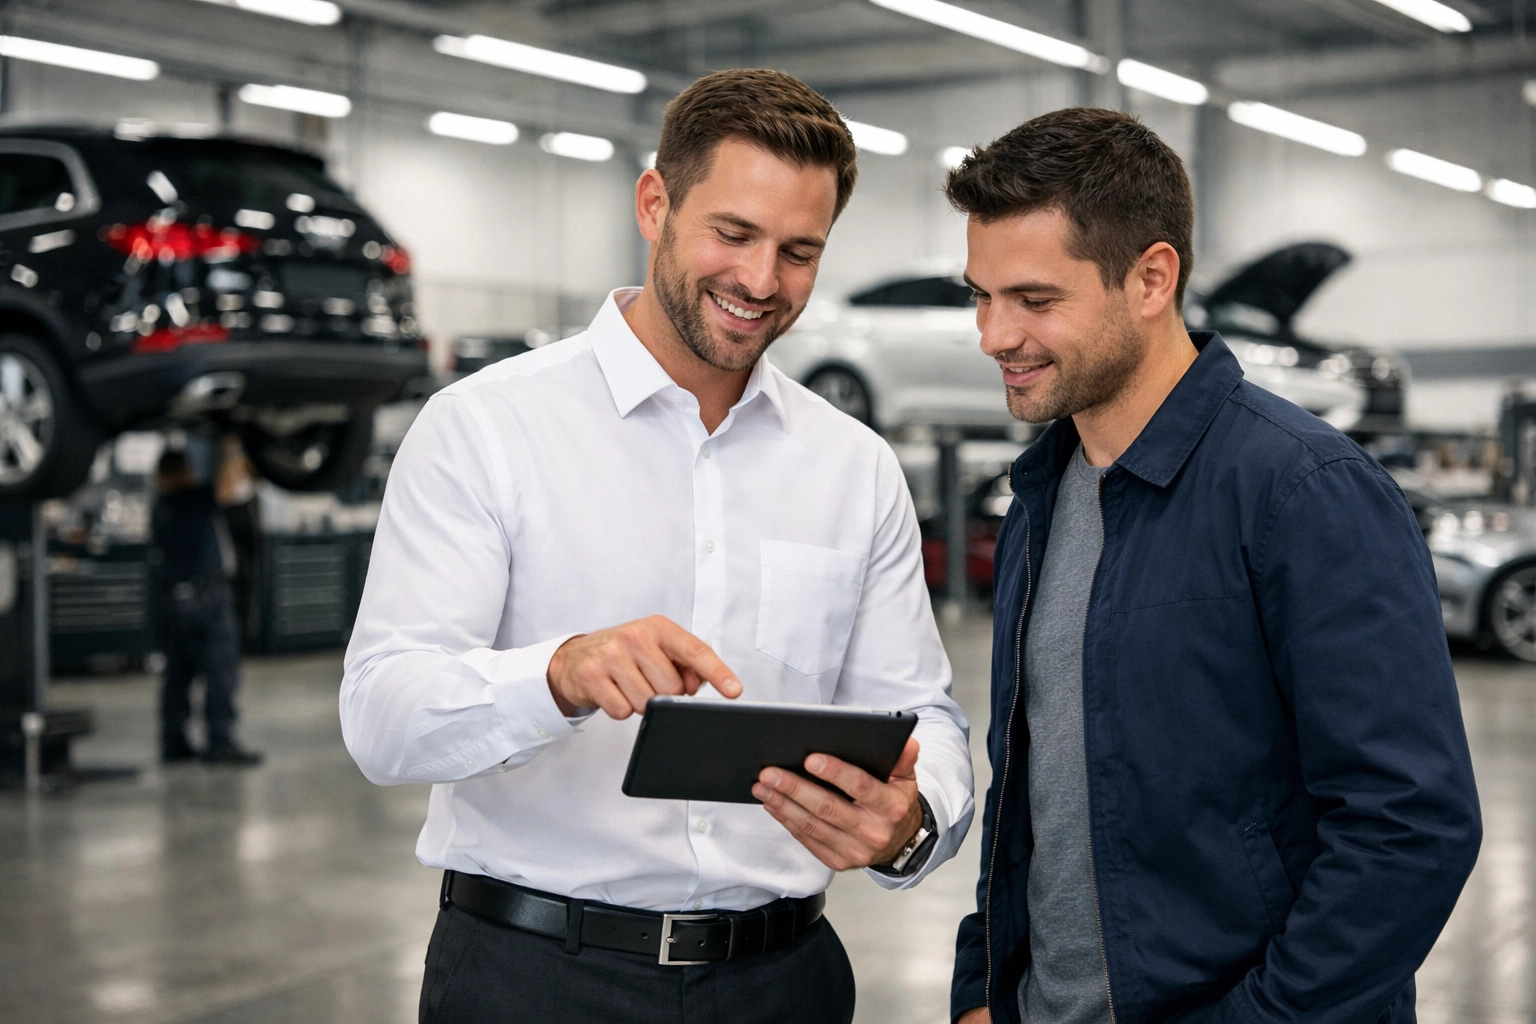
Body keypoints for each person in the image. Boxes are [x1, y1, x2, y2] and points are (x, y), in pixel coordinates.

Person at [341, 68, 973, 1024]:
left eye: (799, 251)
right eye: (733, 234)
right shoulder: (485, 427)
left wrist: (911, 820)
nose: (762, 282)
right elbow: (383, 718)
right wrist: (556, 673)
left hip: (784, 979)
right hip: (532, 979)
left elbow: (920, 710)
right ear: (655, 204)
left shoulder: (855, 466)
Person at [947, 108, 1481, 1024]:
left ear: (1152, 278)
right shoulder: (1041, 495)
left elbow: (1410, 828)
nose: (995, 335)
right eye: (980, 296)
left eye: (1034, 300)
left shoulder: (1304, 492)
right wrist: (983, 989)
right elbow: (1034, 793)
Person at [151, 444, 262, 766]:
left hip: (174, 601)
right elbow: (228, 487)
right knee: (220, 672)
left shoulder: (161, 505)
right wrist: (230, 447)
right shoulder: (193, 499)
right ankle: (220, 743)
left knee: (178, 675)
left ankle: (174, 742)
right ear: (182, 473)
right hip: (208, 600)